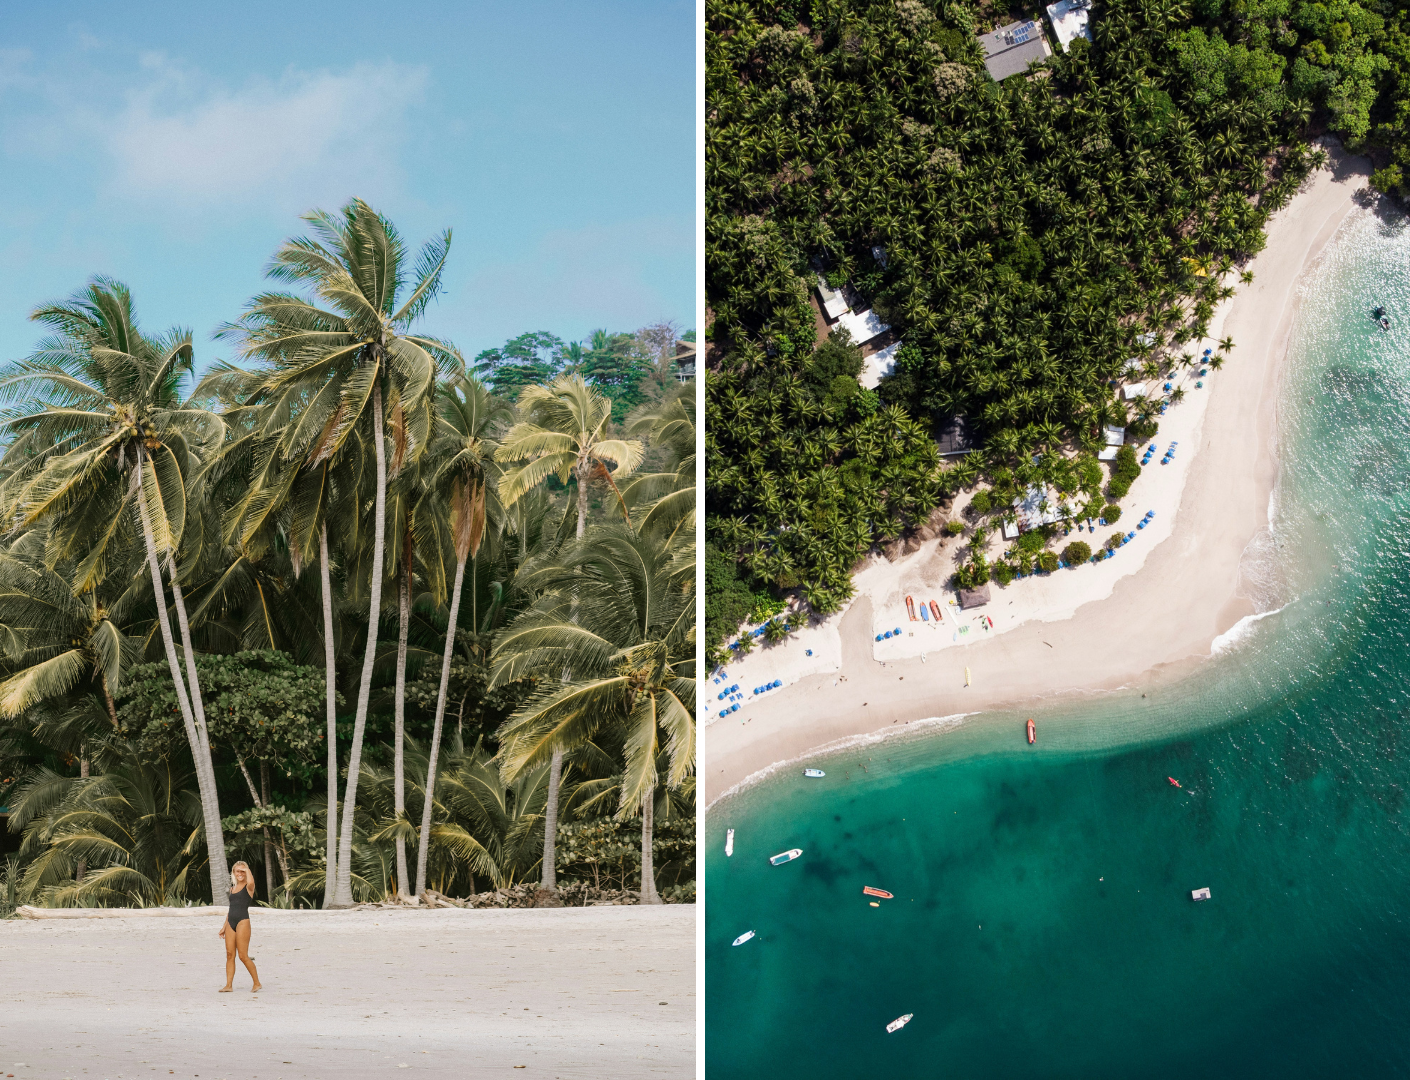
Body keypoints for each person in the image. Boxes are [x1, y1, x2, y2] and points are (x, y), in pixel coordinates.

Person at [218, 861, 262, 993]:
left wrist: (246, 868)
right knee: (230, 954)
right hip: (231, 922)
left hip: (243, 922)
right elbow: (231, 909)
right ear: (234, 873)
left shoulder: (249, 887)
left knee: (243, 956)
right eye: (238, 871)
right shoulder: (233, 888)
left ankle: (257, 983)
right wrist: (224, 926)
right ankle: (228, 985)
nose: (240, 874)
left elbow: (251, 881)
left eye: (243, 871)